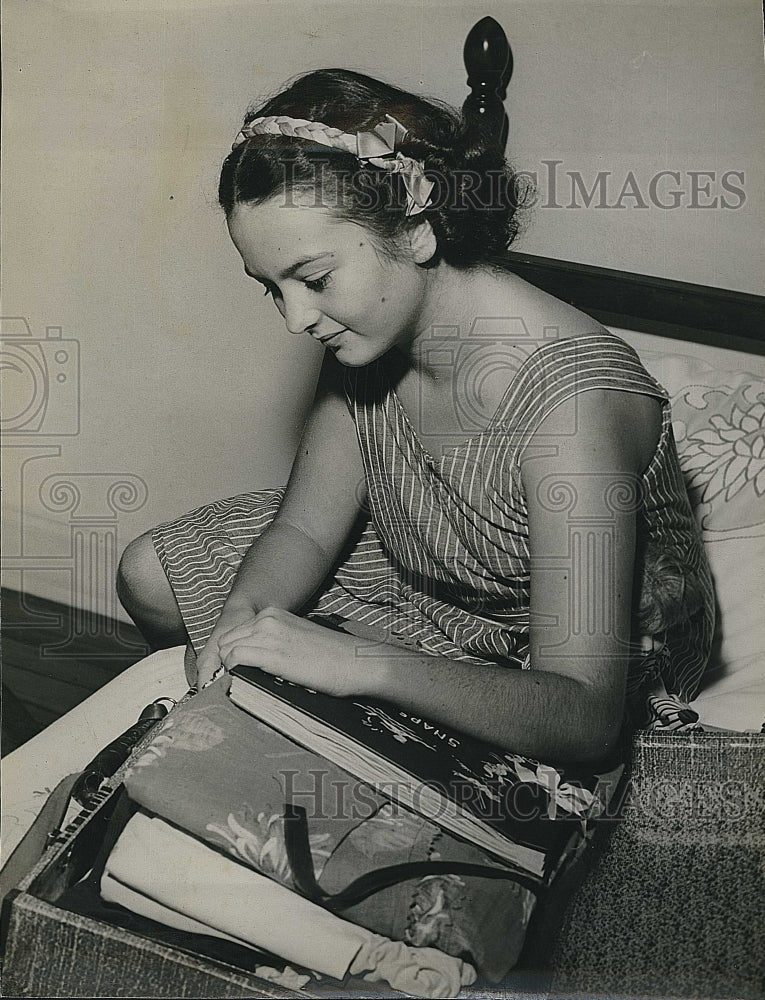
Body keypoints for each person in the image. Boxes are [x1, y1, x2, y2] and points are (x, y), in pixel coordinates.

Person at [117, 69, 714, 763]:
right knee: (150, 573)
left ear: (418, 230)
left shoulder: (570, 408)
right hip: (438, 578)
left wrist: (364, 662)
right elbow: (308, 528)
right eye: (271, 290)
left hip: (568, 661)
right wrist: (241, 620)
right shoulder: (370, 328)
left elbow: (581, 715)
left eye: (312, 280)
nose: (297, 319)